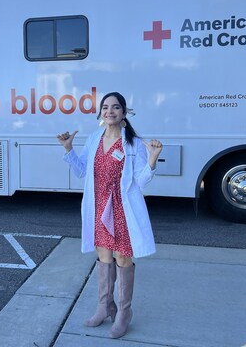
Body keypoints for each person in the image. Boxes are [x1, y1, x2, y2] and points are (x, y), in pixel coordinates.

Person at [57, 91, 163, 339]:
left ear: (124, 113)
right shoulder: (94, 138)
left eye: (115, 107)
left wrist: (153, 160)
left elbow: (141, 181)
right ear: (100, 113)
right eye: (105, 107)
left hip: (122, 208)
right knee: (104, 256)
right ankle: (105, 306)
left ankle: (124, 312)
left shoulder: (134, 143)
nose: (110, 111)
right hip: (99, 205)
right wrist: (68, 149)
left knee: (123, 259)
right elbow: (82, 171)